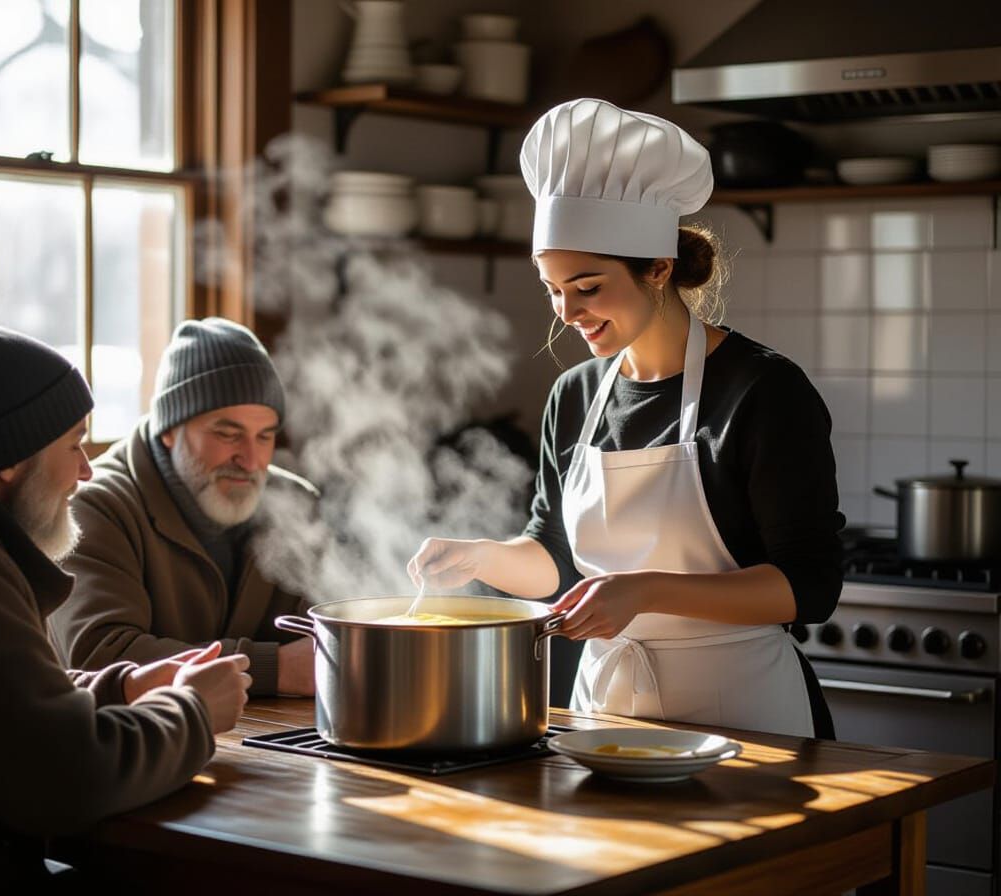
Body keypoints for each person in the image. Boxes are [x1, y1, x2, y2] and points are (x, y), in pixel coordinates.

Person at [408, 99, 843, 738]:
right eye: (552, 288)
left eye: (587, 287)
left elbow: (808, 587)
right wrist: (478, 558)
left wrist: (645, 592)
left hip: (746, 720)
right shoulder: (575, 395)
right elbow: (555, 559)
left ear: (659, 269)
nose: (565, 311)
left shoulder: (763, 390)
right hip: (607, 713)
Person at [0, 322, 251, 889]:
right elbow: (65, 782)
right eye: (73, 445)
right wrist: (193, 714)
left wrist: (124, 687)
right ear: (10, 459)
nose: (86, 471)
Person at [48, 318, 316, 696]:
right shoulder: (96, 507)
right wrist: (278, 669)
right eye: (227, 434)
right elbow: (99, 654)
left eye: (265, 436)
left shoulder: (297, 505)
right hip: (142, 747)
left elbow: (340, 623)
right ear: (169, 429)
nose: (252, 459)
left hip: (276, 742)